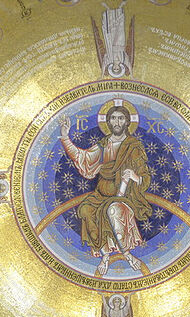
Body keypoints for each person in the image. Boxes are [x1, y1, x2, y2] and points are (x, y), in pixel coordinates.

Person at [59, 103, 151, 275]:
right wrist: (65, 138)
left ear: (127, 122)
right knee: (86, 209)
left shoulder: (133, 147)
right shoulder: (103, 145)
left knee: (113, 210)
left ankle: (128, 255)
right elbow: (82, 158)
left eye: (121, 118)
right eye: (113, 118)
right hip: (100, 195)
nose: (117, 122)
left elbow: (145, 178)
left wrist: (134, 176)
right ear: (108, 122)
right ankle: (105, 255)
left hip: (125, 197)